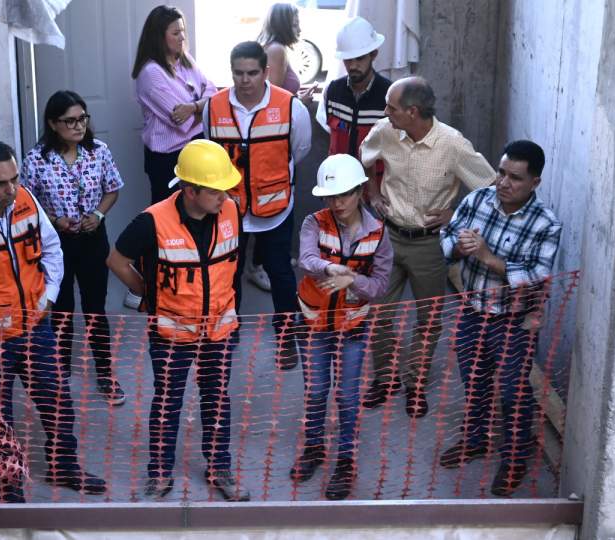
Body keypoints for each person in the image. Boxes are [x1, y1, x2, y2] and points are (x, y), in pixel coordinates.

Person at [0, 140, 106, 503]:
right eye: (0, 183)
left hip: (34, 330)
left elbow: (53, 247)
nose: (11, 189)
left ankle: (65, 467)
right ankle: (10, 488)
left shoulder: (26, 201)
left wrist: (49, 296)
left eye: (14, 179)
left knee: (57, 400)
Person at [106, 139, 250, 502]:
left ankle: (220, 469)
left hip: (219, 330)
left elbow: (234, 266)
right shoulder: (151, 221)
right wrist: (147, 296)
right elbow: (117, 260)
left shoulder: (231, 211)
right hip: (172, 335)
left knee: (217, 401)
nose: (224, 196)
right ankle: (160, 473)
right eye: (216, 190)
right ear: (189, 190)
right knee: (168, 403)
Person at [359, 76, 496, 418]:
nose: (385, 112)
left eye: (392, 107)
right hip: (387, 239)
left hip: (430, 245)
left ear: (412, 111)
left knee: (429, 319)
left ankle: (414, 384)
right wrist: (372, 192)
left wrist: (455, 213)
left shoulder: (453, 144)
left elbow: (489, 187)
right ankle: (386, 379)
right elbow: (361, 160)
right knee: (378, 312)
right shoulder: (385, 131)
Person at [439, 140, 562, 497]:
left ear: (535, 182)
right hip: (473, 312)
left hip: (515, 321)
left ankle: (514, 459)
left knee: (512, 393)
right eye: (501, 172)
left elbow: (538, 277)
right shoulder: (478, 199)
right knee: (474, 382)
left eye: (515, 178)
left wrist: (491, 258)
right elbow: (446, 238)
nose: (504, 183)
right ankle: (476, 439)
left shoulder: (546, 224)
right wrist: (457, 248)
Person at [202, 41, 312, 369]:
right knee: (228, 272)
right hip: (229, 207)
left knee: (280, 272)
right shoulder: (214, 106)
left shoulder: (291, 107)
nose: (245, 80)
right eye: (238, 73)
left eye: (252, 73)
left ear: (265, 71)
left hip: (275, 208)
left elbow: (299, 150)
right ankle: (228, 330)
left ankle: (286, 335)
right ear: (231, 72)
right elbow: (212, 148)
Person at [291, 154, 392, 500]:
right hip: (314, 324)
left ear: (361, 192)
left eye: (345, 194)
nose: (337, 203)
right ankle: (315, 448)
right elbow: (306, 260)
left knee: (348, 396)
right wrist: (332, 270)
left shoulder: (378, 234)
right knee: (316, 391)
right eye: (331, 196)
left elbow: (379, 286)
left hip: (353, 327)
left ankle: (345, 461)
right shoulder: (313, 223)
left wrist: (353, 281)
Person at [21, 90, 126, 406]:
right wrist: (54, 220)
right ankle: (60, 372)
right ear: (53, 123)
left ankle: (105, 374)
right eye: (70, 121)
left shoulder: (99, 152)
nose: (79, 126)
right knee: (61, 305)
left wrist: (97, 214)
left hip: (94, 238)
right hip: (56, 243)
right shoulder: (36, 159)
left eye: (83, 118)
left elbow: (112, 190)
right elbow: (27, 204)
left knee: (96, 306)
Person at [248, 2, 316, 293]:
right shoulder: (276, 49)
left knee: (272, 200)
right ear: (285, 22)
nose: (300, 28)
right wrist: (300, 102)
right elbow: (271, 97)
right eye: (296, 22)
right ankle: (261, 266)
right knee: (274, 200)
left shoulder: (273, 47)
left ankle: (268, 260)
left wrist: (297, 97)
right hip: (273, 138)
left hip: (272, 136)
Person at [132, 5, 217, 204]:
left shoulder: (185, 59)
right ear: (159, 37)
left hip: (196, 149)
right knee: (170, 218)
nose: (182, 38)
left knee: (197, 214)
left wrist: (193, 107)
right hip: (168, 159)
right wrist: (205, 107)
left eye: (183, 32)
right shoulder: (151, 73)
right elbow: (182, 122)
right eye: (176, 33)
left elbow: (212, 89)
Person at [315, 16, 392, 161]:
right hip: (339, 179)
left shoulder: (389, 95)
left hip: (374, 181)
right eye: (348, 59)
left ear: (373, 54)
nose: (353, 65)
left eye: (360, 58)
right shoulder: (333, 91)